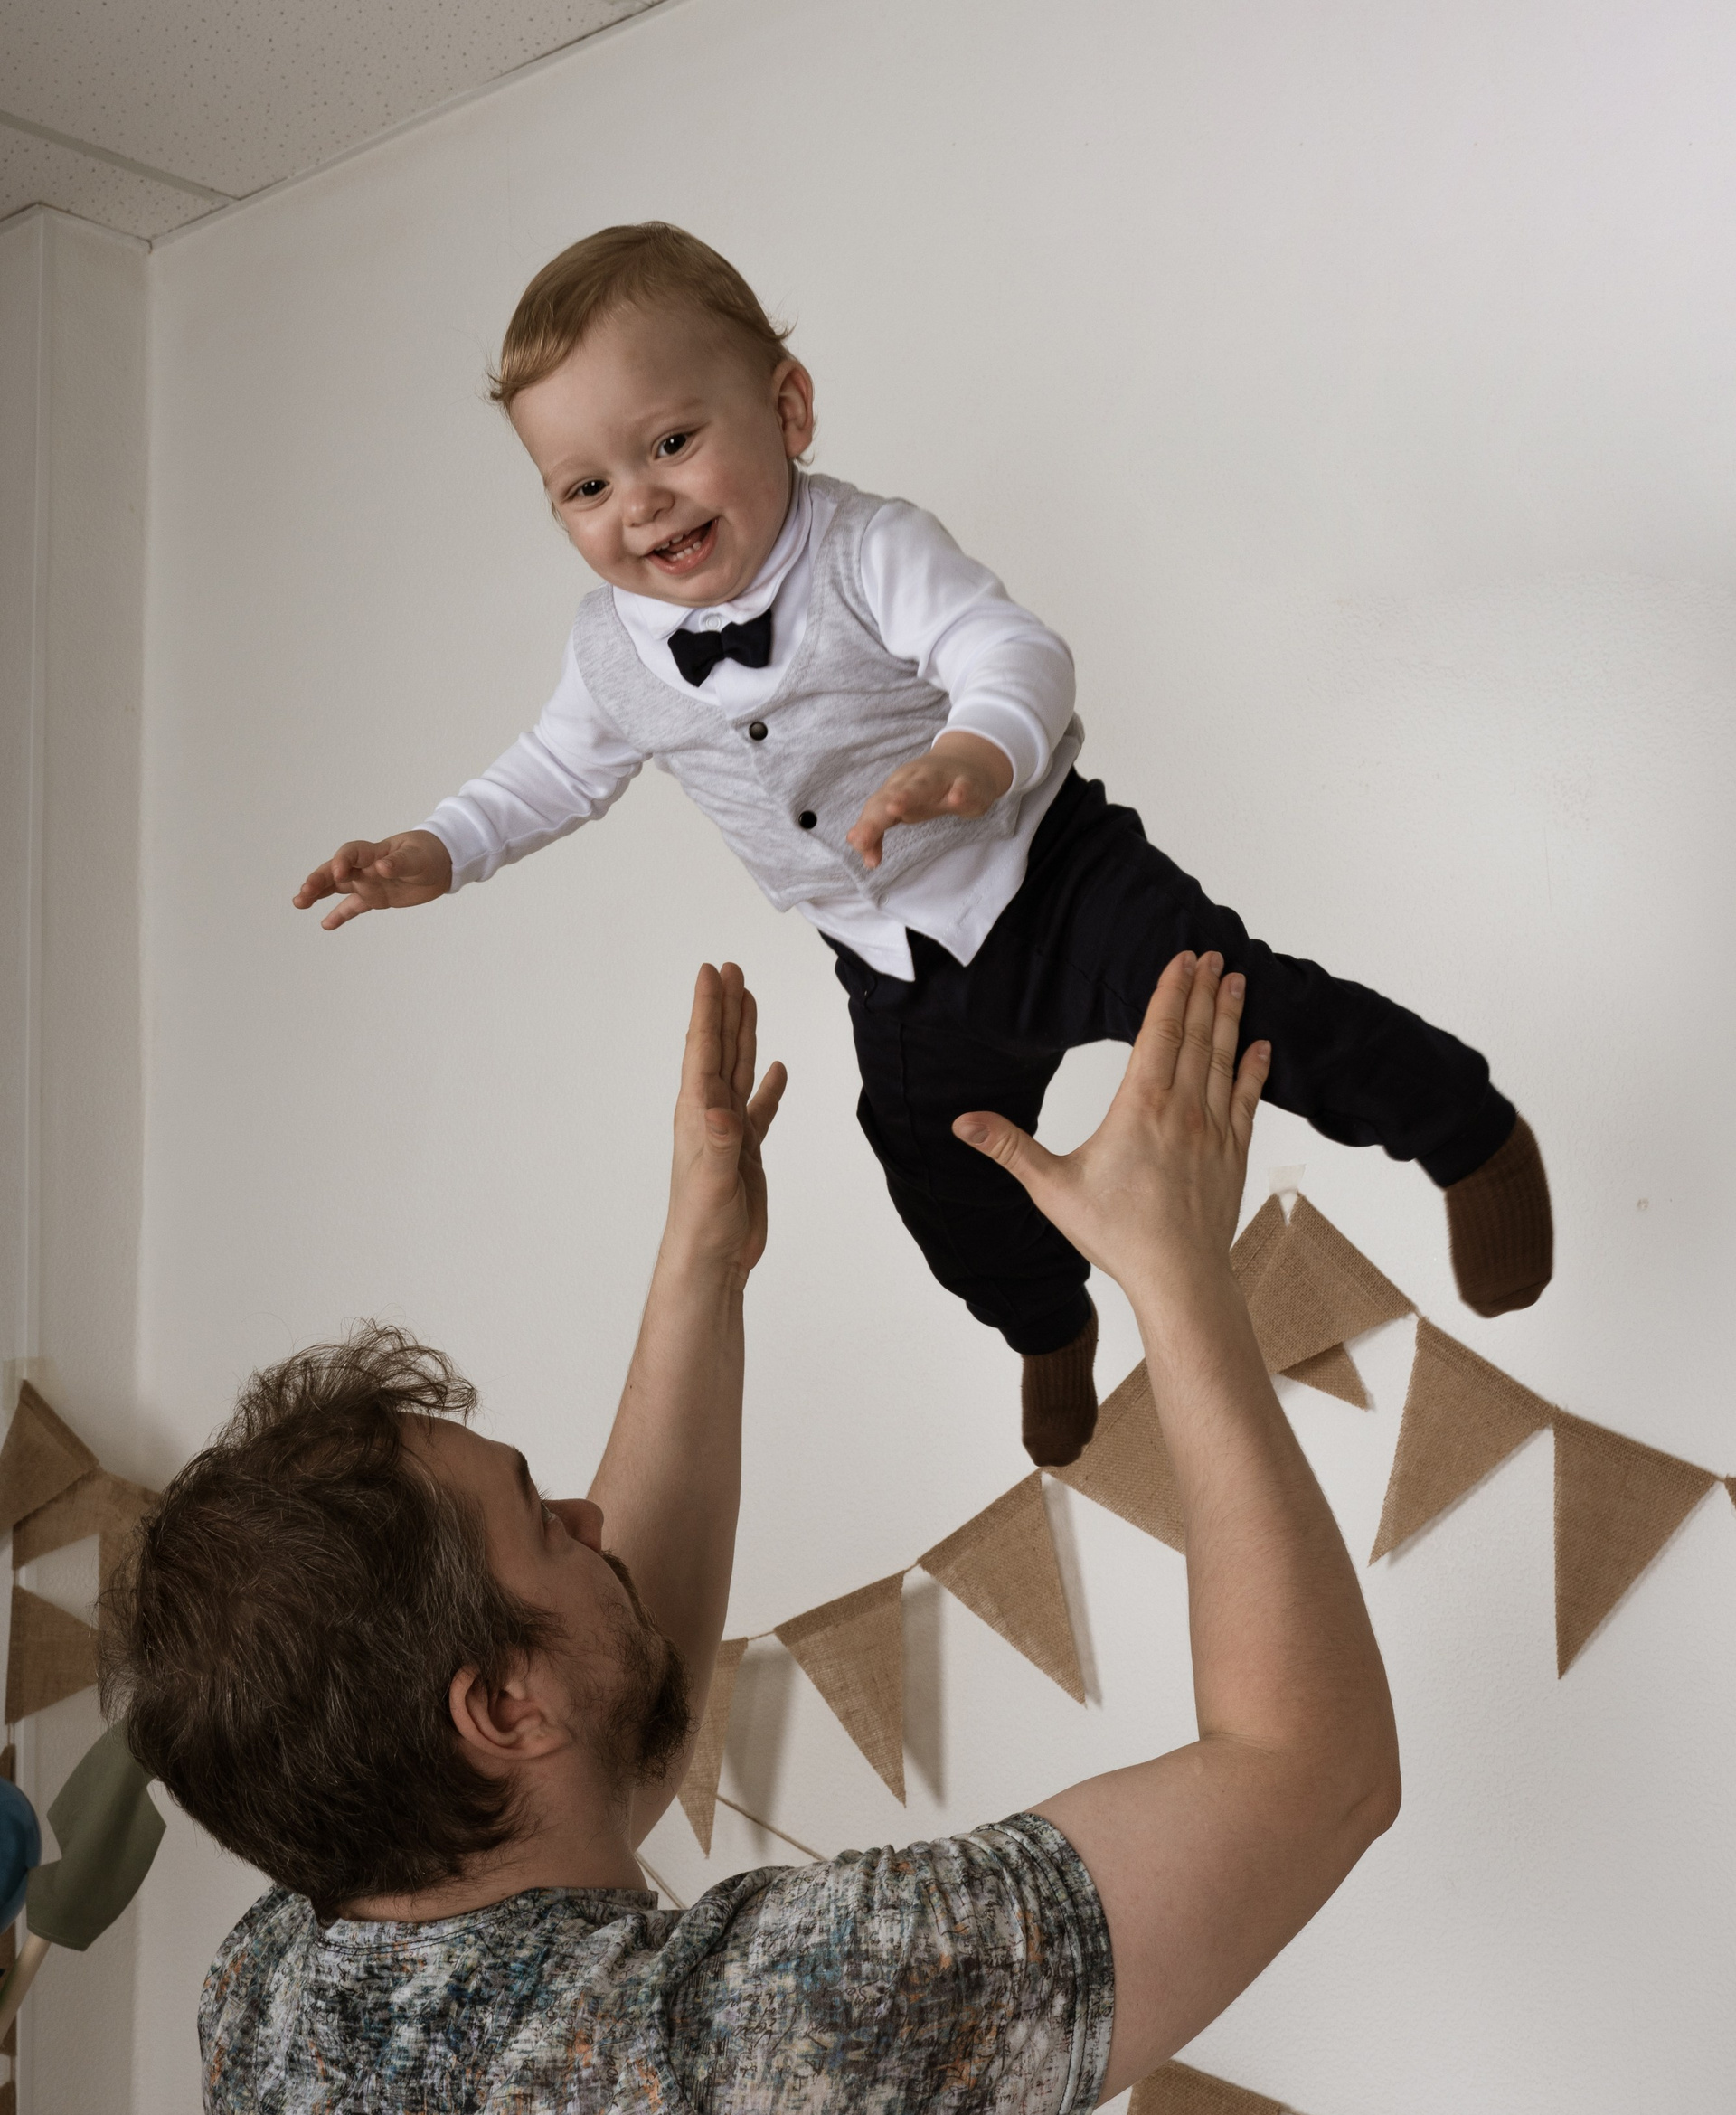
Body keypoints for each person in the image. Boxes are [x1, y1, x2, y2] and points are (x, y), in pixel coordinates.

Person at [110, 953, 1398, 2115]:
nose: (589, 1516)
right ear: (497, 1705)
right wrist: (1179, 1277)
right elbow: (1311, 1770)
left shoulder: (269, 2019)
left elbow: (597, 1736)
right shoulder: (755, 2053)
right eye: (543, 1522)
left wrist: (703, 1263)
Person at [293, 221, 1552, 1471]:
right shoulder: (610, 649)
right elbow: (554, 772)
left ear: (787, 408)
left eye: (672, 443)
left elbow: (1012, 653)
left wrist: (976, 752)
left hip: (1052, 874)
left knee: (1247, 1016)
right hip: (892, 966)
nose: (642, 502)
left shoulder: (867, 547)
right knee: (939, 1182)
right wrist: (440, 847)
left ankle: (1466, 1132)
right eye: (586, 488)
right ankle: (1046, 1326)